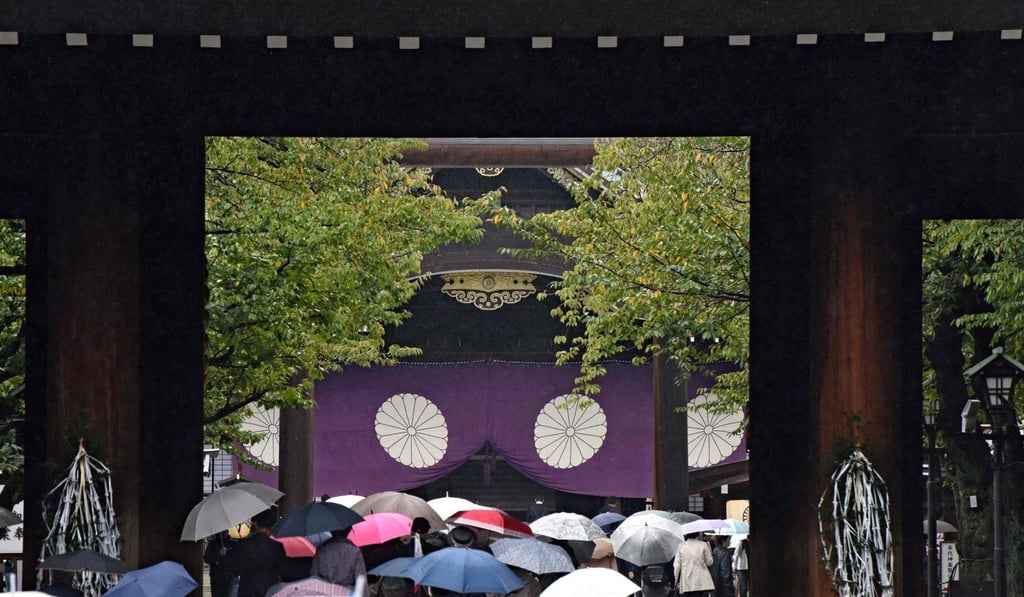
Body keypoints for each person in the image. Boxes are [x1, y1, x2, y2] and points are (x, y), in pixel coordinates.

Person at [234, 507, 286, 597]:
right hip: (270, 590)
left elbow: (235, 570)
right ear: (272, 526)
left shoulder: (243, 544)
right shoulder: (277, 545)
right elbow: (282, 569)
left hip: (246, 591)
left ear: (256, 525)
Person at [312, 525, 367, 591]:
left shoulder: (321, 550)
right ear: (348, 531)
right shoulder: (355, 551)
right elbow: (361, 583)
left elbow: (314, 578)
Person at [672, 533, 714, 597]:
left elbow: (677, 566)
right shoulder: (703, 544)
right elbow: (710, 562)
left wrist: (675, 581)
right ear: (697, 534)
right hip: (700, 580)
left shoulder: (681, 546)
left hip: (686, 580)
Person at [204, 530, 240, 597]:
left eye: (226, 531)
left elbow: (237, 559)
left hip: (231, 577)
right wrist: (219, 554)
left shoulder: (234, 544)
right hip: (217, 579)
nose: (224, 533)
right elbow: (207, 558)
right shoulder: (212, 545)